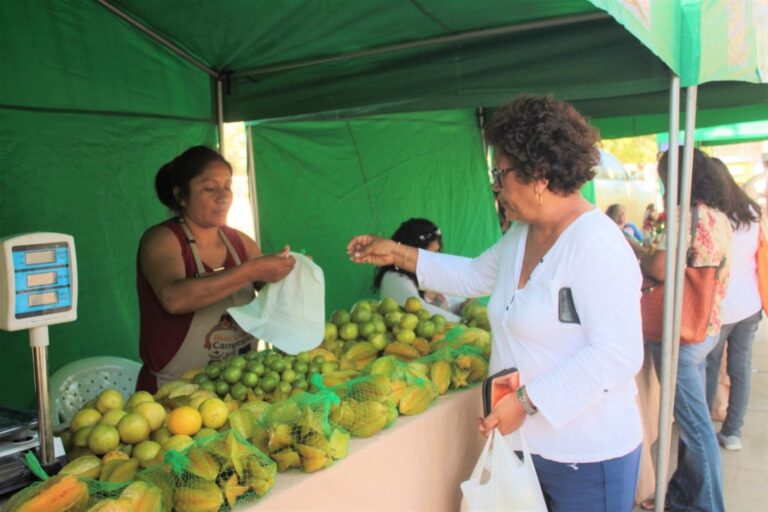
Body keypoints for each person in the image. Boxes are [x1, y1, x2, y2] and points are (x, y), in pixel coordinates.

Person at [348, 95, 643, 511]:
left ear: (538, 174)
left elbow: (617, 354)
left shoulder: (596, 244)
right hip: (526, 446)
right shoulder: (523, 235)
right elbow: (472, 275)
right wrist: (398, 255)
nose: (496, 186)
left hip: (586, 456)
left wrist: (525, 402)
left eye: (501, 173)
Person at [136, 146, 295, 392]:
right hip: (173, 395)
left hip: (239, 389)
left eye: (228, 187)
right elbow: (174, 298)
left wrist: (291, 274)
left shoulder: (241, 243)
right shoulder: (162, 239)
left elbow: (275, 298)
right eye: (210, 189)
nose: (223, 197)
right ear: (181, 195)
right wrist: (251, 271)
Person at [637, 148, 732, 512]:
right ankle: (683, 496)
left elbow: (660, 268)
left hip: (679, 333)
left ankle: (709, 505)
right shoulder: (719, 217)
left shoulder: (683, 217)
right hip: (706, 328)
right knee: (695, 423)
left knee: (696, 430)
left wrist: (640, 253)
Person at [705, 158, 762, 451]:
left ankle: (702, 429)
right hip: (751, 303)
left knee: (710, 366)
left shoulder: (714, 216)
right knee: (740, 368)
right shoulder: (752, 211)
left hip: (721, 306)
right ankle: (732, 432)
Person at [373, 218, 463, 321]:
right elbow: (419, 310)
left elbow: (449, 304)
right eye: (429, 254)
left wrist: (462, 306)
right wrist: (462, 322)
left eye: (437, 252)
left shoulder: (428, 273)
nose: (435, 258)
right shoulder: (393, 279)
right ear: (408, 253)